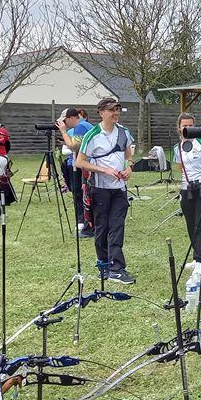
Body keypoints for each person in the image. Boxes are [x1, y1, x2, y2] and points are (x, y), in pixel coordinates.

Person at [75, 97, 136, 285]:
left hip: (119, 189)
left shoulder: (124, 132)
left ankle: (117, 268)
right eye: (111, 110)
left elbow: (129, 154)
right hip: (99, 189)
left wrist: (129, 167)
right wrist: (104, 170)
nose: (116, 113)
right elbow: (80, 162)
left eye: (117, 109)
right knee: (102, 228)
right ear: (101, 113)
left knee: (117, 226)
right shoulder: (92, 135)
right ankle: (103, 265)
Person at [175, 112, 201, 264]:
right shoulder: (177, 147)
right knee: (191, 224)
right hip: (187, 189)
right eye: (185, 125)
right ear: (179, 127)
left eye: (191, 125)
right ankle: (197, 255)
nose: (188, 128)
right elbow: (181, 168)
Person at [57, 108, 95, 237]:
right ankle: (87, 224)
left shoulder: (80, 126)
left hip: (87, 165)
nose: (64, 124)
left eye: (65, 121)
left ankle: (89, 227)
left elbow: (74, 146)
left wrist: (64, 132)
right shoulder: (86, 125)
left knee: (86, 196)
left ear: (72, 117)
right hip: (89, 164)